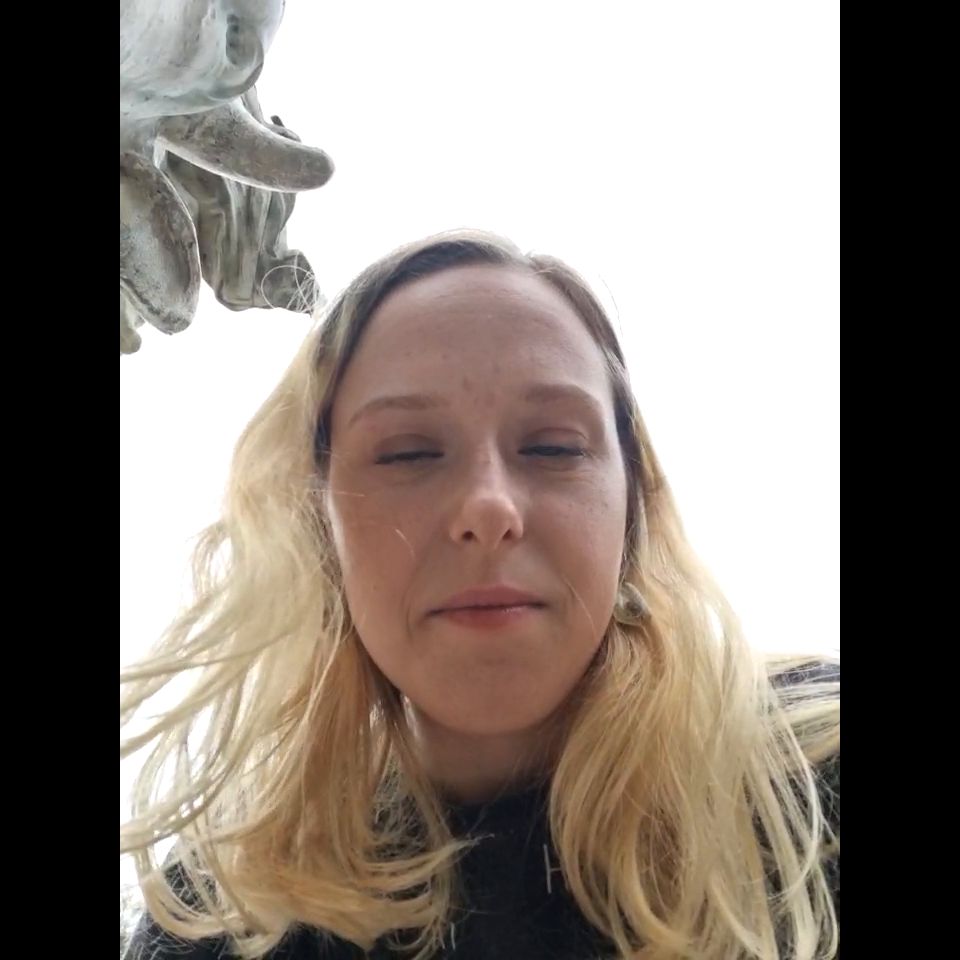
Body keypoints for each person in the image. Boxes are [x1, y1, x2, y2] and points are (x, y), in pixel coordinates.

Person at [121, 229, 839, 960]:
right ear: (316, 523)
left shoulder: (814, 780)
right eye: (408, 452)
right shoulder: (224, 910)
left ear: (634, 510)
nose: (488, 508)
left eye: (553, 447)